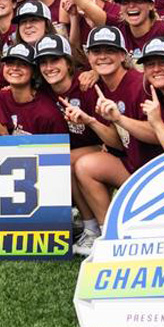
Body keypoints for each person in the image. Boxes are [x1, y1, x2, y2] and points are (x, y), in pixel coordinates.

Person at [71, 26, 151, 254]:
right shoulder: (100, 88)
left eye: (110, 50)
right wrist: (92, 121)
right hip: (131, 163)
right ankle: (109, 235)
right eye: (97, 51)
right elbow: (117, 143)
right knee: (85, 165)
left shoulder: (139, 83)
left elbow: (157, 133)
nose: (103, 56)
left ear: (123, 55)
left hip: (154, 169)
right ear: (89, 57)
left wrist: (120, 119)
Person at [36, 34, 112, 251]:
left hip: (106, 149)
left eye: (55, 61)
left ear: (68, 63)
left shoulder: (86, 85)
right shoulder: (43, 91)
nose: (49, 67)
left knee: (63, 160)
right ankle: (90, 229)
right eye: (43, 62)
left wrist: (95, 71)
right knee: (63, 162)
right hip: (76, 151)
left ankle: (103, 229)